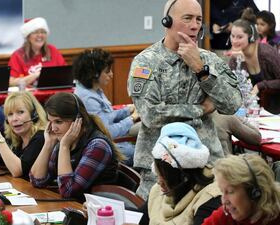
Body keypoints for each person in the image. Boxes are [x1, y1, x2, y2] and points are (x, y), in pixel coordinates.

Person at [127, 0, 242, 200]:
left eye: (198, 20)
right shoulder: (146, 62)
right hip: (160, 167)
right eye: (187, 18)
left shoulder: (209, 61)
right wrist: (200, 109)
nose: (195, 25)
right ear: (167, 21)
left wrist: (201, 70)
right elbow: (150, 114)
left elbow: (232, 104)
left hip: (206, 165)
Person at [29, 92, 124, 199]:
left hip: (99, 211)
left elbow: (68, 191)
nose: (53, 128)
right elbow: (36, 180)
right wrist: (48, 144)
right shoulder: (64, 139)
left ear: (78, 120)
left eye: (58, 122)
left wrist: (64, 146)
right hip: (77, 207)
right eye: (50, 122)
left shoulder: (97, 146)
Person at [143, 122, 222, 225]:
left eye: (164, 176)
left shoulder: (209, 199)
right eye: (158, 173)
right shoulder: (159, 191)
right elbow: (138, 217)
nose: (159, 182)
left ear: (183, 176)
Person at [73, 48, 139, 165]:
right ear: (94, 74)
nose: (111, 75)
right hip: (105, 146)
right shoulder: (88, 98)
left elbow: (107, 117)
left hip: (109, 141)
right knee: (143, 153)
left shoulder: (93, 89)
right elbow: (108, 132)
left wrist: (128, 110)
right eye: (107, 71)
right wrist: (132, 118)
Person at [0, 91, 47, 178]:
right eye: (10, 114)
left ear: (34, 114)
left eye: (20, 112)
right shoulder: (15, 138)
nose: (14, 119)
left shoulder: (41, 137)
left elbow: (18, 171)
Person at [228, 8, 280, 114]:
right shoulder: (235, 59)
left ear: (251, 37)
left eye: (239, 37)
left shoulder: (266, 53)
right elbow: (231, 86)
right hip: (250, 112)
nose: (234, 41)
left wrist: (260, 86)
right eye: (232, 36)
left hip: (275, 111)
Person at [203, 154, 280, 225]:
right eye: (222, 192)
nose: (224, 201)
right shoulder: (226, 215)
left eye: (230, 191)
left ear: (254, 192)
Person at [8, 17, 66, 87]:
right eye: (36, 32)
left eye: (43, 32)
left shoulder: (53, 50)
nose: (40, 35)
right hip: (29, 96)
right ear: (28, 36)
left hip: (53, 94)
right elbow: (11, 82)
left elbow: (64, 74)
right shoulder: (18, 55)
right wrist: (37, 75)